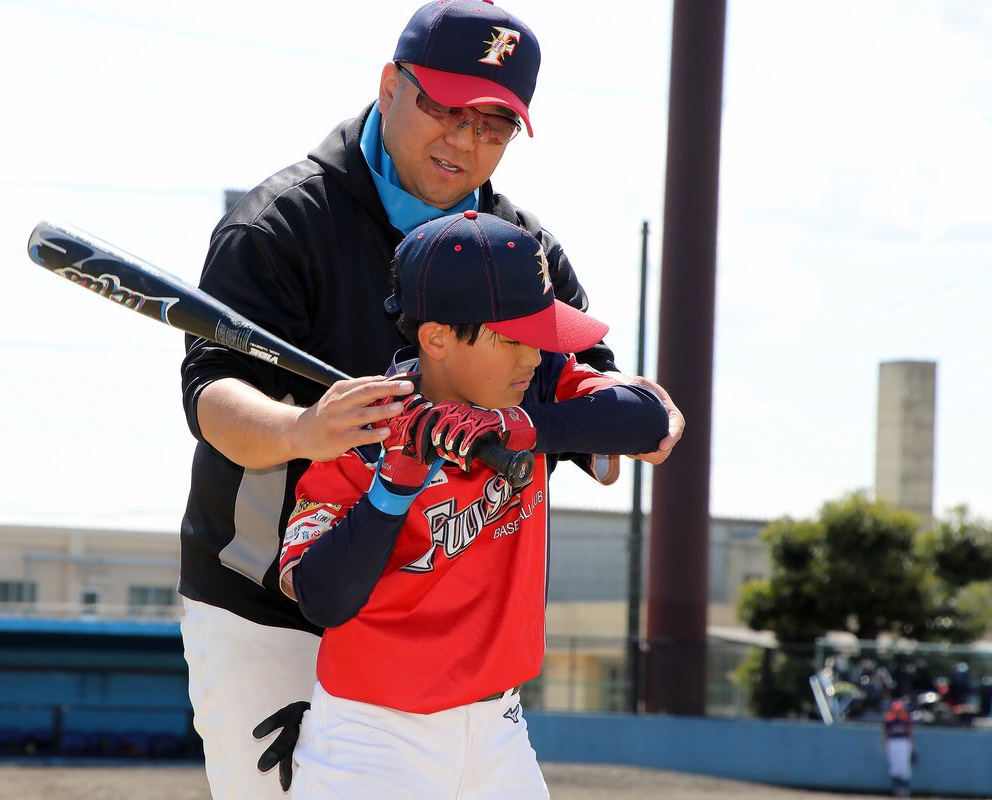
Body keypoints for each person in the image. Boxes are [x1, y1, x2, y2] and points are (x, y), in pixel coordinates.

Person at [177, 1, 684, 796]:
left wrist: (513, 426)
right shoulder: (280, 224)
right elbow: (214, 400)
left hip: (442, 641)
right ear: (389, 88)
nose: (464, 140)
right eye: (444, 108)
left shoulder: (522, 250)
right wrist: (311, 428)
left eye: (493, 124)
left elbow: (623, 417)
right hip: (271, 604)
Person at [279, 210, 670, 797]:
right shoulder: (357, 437)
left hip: (500, 731)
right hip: (373, 741)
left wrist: (514, 427)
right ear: (436, 337)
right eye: (513, 338)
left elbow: (649, 420)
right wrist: (395, 485)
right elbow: (321, 598)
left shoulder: (536, 391)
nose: (533, 357)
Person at [882, 699, 914, 798]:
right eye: (896, 709)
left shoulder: (905, 719)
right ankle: (897, 789)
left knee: (905, 768)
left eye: (899, 709)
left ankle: (905, 789)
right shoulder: (889, 719)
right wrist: (885, 745)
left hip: (904, 742)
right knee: (894, 767)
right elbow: (885, 733)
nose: (897, 711)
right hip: (893, 742)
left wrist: (912, 746)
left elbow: (909, 733)